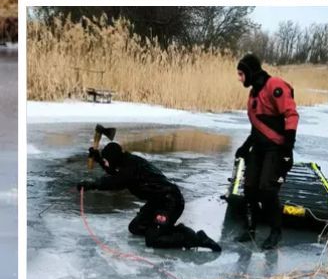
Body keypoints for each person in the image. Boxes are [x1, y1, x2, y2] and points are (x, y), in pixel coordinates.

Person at [77, 142, 221, 252]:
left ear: (114, 158)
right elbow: (116, 173)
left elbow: (116, 181)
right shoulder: (126, 161)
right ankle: (165, 228)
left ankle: (195, 238)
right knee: (136, 227)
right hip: (157, 201)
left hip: (170, 202)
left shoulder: (129, 167)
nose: (107, 163)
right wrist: (99, 159)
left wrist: (92, 185)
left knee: (153, 240)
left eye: (108, 160)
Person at [234, 53, 299, 250]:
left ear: (250, 72)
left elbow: (291, 115)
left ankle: (275, 232)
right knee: (251, 187)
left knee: (267, 190)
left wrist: (287, 150)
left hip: (276, 149)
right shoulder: (253, 93)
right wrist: (245, 148)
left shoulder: (274, 85)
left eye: (240, 73)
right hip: (259, 148)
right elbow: (258, 127)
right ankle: (251, 228)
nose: (239, 78)